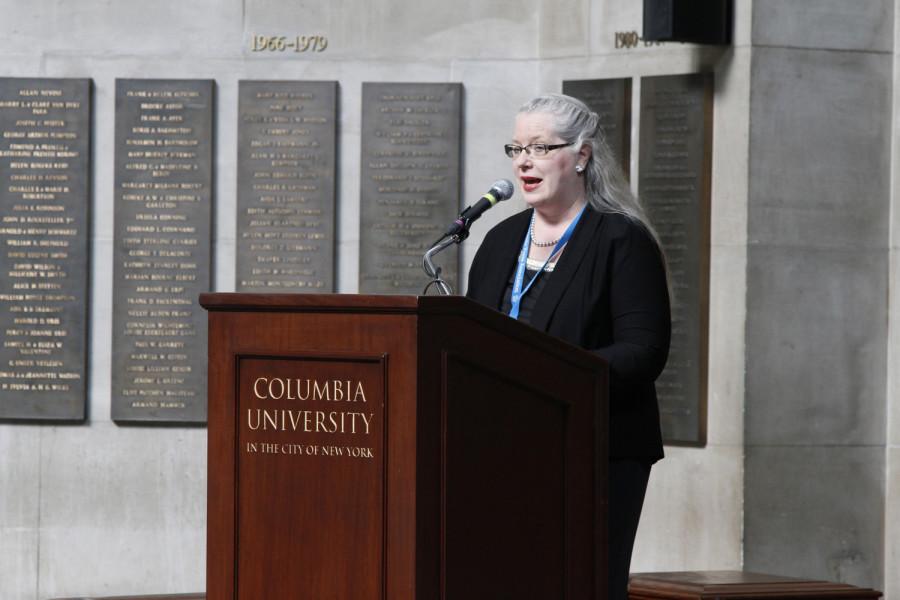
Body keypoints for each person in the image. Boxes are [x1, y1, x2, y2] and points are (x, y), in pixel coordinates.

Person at [465, 93, 671, 600]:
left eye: (540, 147)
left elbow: (643, 351)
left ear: (581, 155)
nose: (523, 161)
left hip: (596, 451)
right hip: (502, 446)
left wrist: (546, 377)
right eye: (516, 148)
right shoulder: (499, 240)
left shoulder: (621, 241)